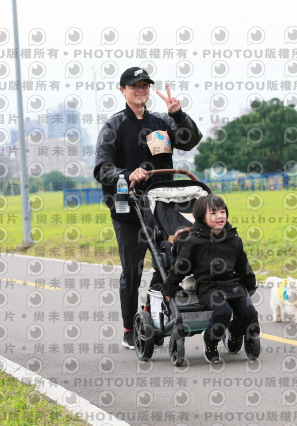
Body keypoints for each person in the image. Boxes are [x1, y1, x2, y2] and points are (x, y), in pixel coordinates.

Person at [93, 67, 203, 349]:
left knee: (166, 263)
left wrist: (179, 114)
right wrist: (126, 174)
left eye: (145, 85)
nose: (141, 90)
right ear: (123, 91)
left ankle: (151, 315)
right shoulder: (114, 126)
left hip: (162, 208)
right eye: (135, 86)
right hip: (129, 210)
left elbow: (190, 140)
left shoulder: (162, 121)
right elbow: (102, 168)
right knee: (132, 272)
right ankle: (130, 329)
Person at [163, 195, 259, 363]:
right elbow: (180, 267)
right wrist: (169, 288)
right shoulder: (194, 241)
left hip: (231, 283)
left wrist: (250, 283)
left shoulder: (233, 239)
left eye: (222, 212)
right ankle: (210, 342)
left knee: (249, 313)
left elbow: (243, 265)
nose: (220, 216)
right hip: (208, 286)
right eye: (213, 213)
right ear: (202, 218)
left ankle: (234, 333)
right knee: (223, 312)